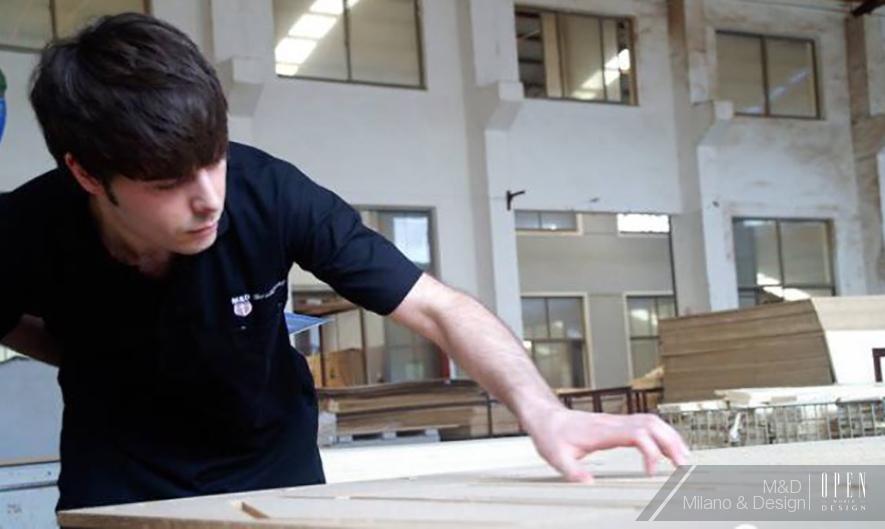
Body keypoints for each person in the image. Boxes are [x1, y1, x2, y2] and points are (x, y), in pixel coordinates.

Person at [0, 13, 689, 511]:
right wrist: (91, 353)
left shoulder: (272, 194)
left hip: (271, 468)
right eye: (168, 183)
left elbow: (438, 308)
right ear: (87, 174)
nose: (209, 198)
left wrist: (546, 412)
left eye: (214, 158)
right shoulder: (22, 231)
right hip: (119, 478)